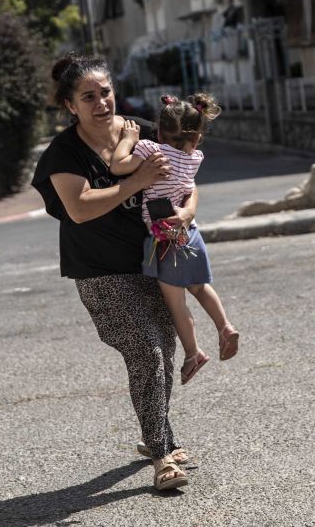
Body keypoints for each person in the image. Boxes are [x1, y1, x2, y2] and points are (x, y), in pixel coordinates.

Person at [31, 53, 198, 491]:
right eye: (88, 97)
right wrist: (134, 183)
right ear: (71, 106)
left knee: (163, 347)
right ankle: (162, 454)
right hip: (100, 272)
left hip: (154, 262)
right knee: (147, 349)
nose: (101, 102)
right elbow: (80, 208)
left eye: (105, 92)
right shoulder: (63, 154)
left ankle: (160, 435)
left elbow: (185, 174)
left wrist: (185, 213)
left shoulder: (140, 131)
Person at [110, 94, 240, 386]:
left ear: (158, 131)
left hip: (163, 237)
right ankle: (225, 325)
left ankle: (193, 353)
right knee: (200, 286)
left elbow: (118, 166)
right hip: (189, 231)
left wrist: (129, 139)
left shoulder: (150, 150)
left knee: (176, 302)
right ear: (196, 139)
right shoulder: (195, 158)